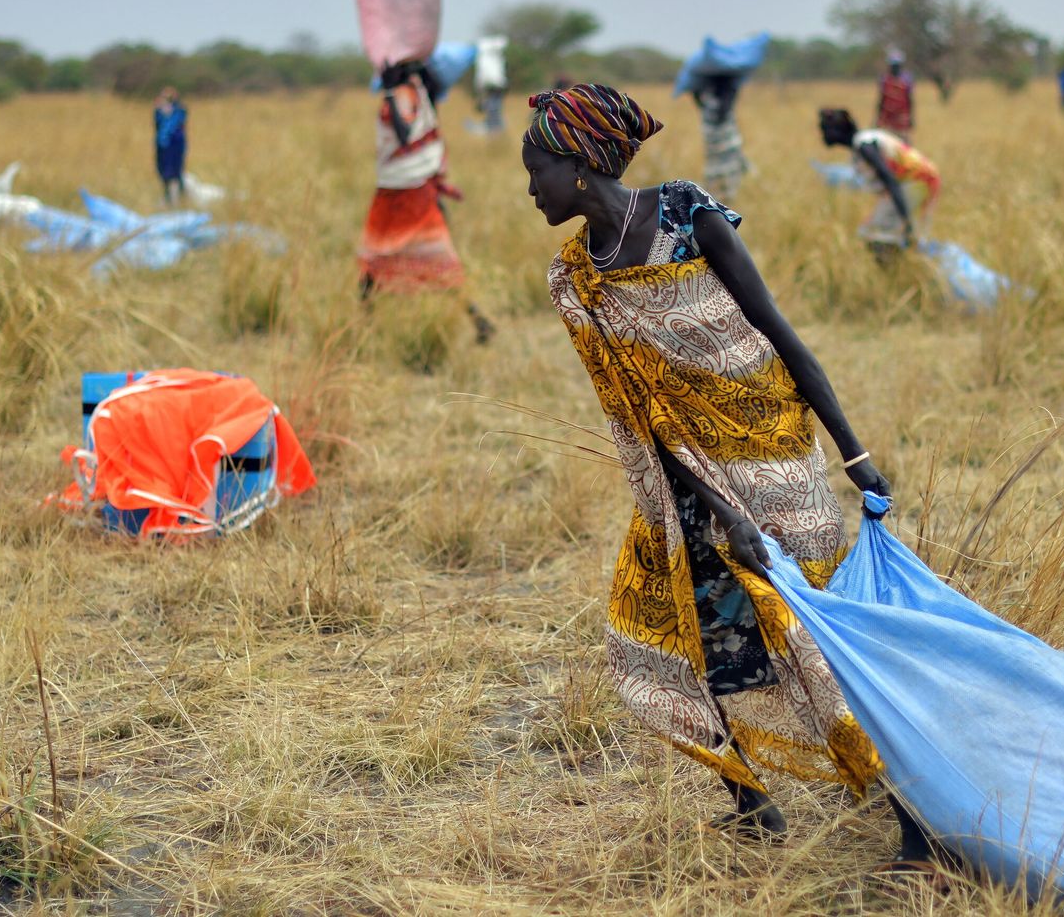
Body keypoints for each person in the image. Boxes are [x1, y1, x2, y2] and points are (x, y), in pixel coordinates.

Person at [521, 83, 935, 875]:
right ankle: (752, 805)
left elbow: (779, 332)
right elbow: (638, 410)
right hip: (683, 481)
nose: (530, 188)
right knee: (675, 632)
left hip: (774, 456)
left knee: (812, 638)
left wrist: (853, 455)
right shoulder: (575, 278)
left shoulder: (687, 215)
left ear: (577, 166)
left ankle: (919, 826)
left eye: (535, 170)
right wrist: (720, 509)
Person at [358, 60, 494, 343]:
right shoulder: (421, 95)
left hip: (404, 195)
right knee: (423, 262)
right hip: (410, 191)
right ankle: (478, 320)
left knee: (381, 259)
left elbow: (404, 136)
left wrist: (388, 93)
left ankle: (363, 327)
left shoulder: (403, 95)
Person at [818, 108, 940, 260]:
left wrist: (906, 219)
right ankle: (901, 263)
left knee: (877, 235)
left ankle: (901, 266)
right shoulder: (862, 143)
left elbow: (889, 178)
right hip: (914, 182)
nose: (822, 135)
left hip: (917, 181)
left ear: (836, 132)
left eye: (824, 130)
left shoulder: (865, 145)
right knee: (871, 232)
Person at [691, 71, 750, 203]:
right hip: (723, 136)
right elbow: (724, 109)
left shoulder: (704, 88)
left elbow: (698, 100)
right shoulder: (727, 89)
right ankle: (724, 195)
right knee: (727, 166)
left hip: (714, 136)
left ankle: (719, 195)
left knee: (717, 167)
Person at [154, 86, 188, 203]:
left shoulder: (180, 110)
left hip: (175, 145)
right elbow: (157, 125)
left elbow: (180, 122)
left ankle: (181, 195)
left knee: (176, 170)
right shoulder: (159, 111)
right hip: (163, 145)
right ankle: (167, 195)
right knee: (163, 171)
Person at [875, 51, 914, 141]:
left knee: (904, 143)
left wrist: (910, 117)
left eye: (897, 65)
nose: (895, 68)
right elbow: (881, 100)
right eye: (893, 65)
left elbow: (909, 99)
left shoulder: (906, 79)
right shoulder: (885, 79)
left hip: (902, 117)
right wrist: (878, 118)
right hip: (888, 118)